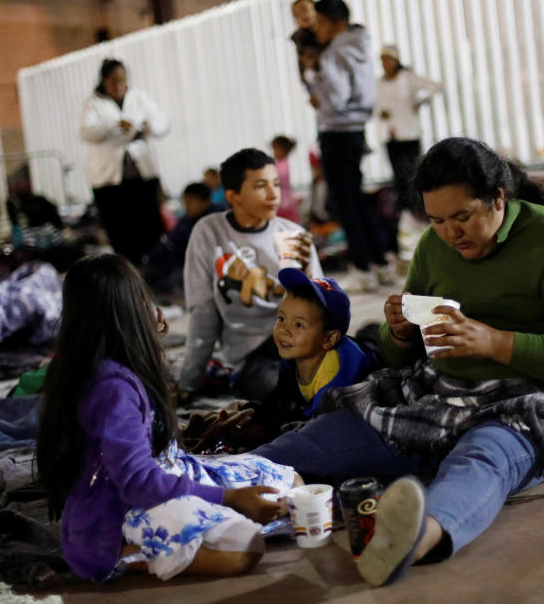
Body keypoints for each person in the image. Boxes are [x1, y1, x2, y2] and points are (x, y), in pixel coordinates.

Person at [253, 137, 544, 586]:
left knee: (482, 458)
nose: (450, 233)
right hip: (444, 394)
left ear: (498, 198)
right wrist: (400, 331)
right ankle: (206, 491)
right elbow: (394, 355)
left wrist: (496, 343)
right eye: (436, 220)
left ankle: (410, 539)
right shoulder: (434, 245)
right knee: (315, 440)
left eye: (462, 216)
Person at [35, 253, 299, 583]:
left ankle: (200, 523)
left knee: (289, 483)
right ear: (127, 312)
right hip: (121, 514)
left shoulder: (99, 364)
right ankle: (127, 556)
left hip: (161, 474)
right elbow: (137, 482)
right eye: (143, 299)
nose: (152, 307)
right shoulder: (110, 388)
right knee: (244, 550)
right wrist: (229, 498)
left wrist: (149, 343)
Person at [180, 148, 322, 401]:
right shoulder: (210, 233)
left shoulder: (291, 234)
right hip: (254, 352)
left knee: (365, 350)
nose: (273, 194)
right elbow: (203, 312)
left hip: (300, 342)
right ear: (233, 196)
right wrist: (189, 380)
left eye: (276, 184)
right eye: (260, 186)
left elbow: (318, 305)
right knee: (267, 387)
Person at [307, 0, 389, 292]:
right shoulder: (360, 44)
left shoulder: (332, 54)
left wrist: (314, 83)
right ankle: (379, 262)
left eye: (318, 22)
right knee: (357, 199)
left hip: (337, 132)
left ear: (333, 22)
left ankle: (361, 267)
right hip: (356, 130)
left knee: (344, 203)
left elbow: (334, 100)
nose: (315, 29)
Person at [79, 58, 169, 264]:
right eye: (113, 82)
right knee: (120, 228)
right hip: (110, 182)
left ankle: (154, 269)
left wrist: (150, 126)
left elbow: (162, 122)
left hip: (142, 176)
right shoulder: (93, 103)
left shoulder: (139, 97)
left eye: (122, 81)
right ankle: (130, 270)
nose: (119, 86)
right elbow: (86, 131)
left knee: (150, 224)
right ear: (103, 82)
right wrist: (114, 124)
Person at [268, 268, 374, 420]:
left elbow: (316, 428)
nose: (284, 330)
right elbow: (280, 396)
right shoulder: (294, 355)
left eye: (298, 325)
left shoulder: (335, 381)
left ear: (328, 340)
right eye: (281, 319)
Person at [375, 45, 442, 212]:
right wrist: (380, 113)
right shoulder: (379, 83)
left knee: (413, 174)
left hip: (408, 134)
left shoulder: (407, 77)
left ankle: (419, 209)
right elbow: (375, 105)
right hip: (390, 135)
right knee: (398, 177)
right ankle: (405, 212)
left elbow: (434, 86)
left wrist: (420, 102)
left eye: (388, 60)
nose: (385, 64)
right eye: (382, 60)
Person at [143, 183, 226, 292]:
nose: (186, 206)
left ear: (205, 201)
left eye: (190, 202)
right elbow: (169, 241)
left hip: (202, 268)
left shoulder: (217, 218)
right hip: (178, 263)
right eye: (185, 202)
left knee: (172, 282)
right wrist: (148, 258)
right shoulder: (187, 220)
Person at [271, 135, 301, 223]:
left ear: (282, 149)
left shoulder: (282, 165)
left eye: (275, 149)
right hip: (285, 201)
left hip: (283, 203)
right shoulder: (278, 163)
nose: (274, 152)